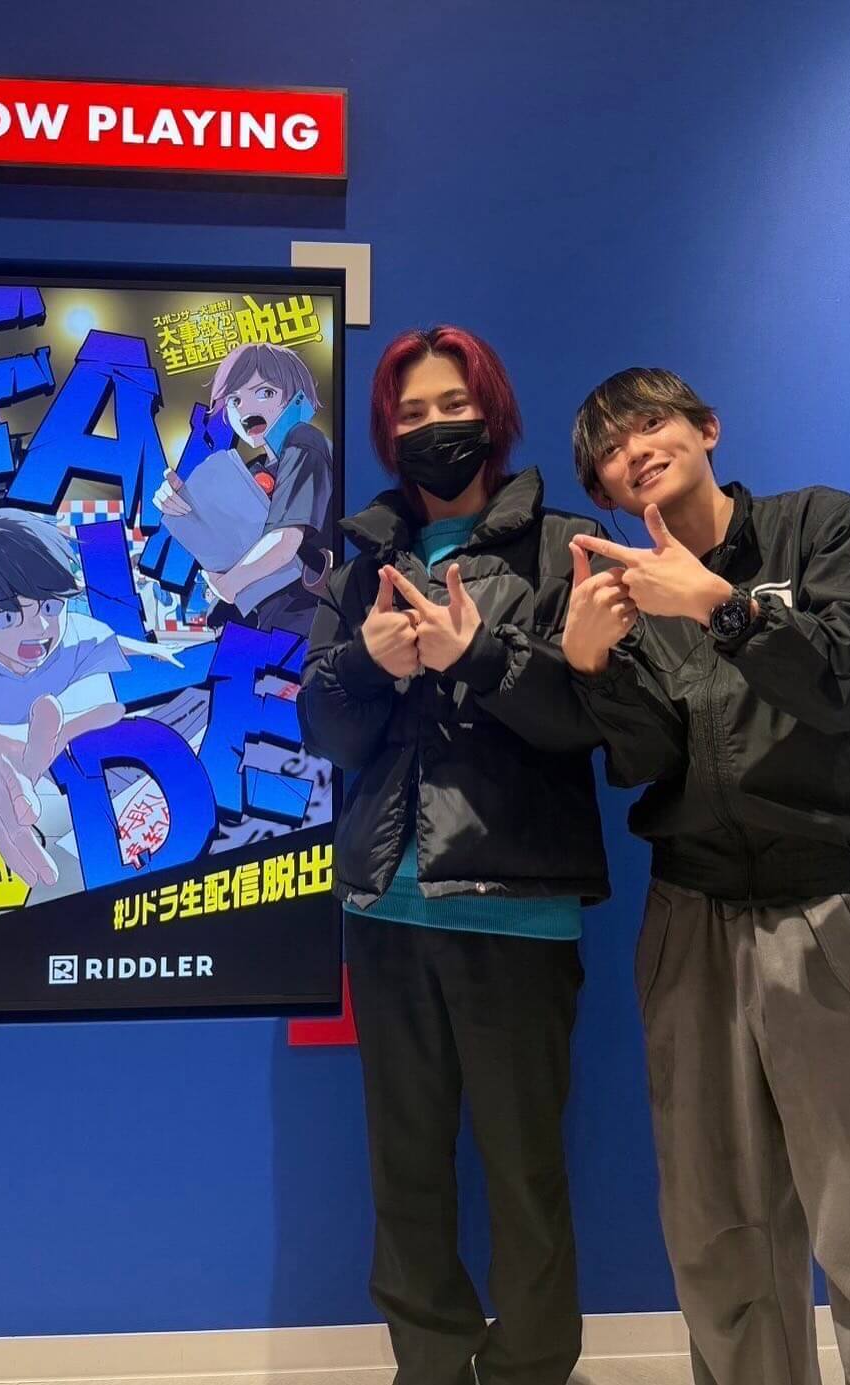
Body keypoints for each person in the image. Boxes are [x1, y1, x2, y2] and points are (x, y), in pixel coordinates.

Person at [563, 366, 850, 1385]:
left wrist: (724, 608)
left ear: (706, 428)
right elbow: (644, 759)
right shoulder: (629, 598)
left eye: (651, 424)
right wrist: (591, 669)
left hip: (835, 904)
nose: (635, 452)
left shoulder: (820, 528)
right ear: (604, 491)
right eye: (611, 453)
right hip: (692, 918)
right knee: (718, 1231)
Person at [298, 326, 622, 1385]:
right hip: (384, 912)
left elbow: (595, 720)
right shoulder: (362, 567)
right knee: (404, 1167)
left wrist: (477, 654)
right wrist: (366, 665)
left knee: (525, 1168)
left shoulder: (563, 547)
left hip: (516, 909)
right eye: (411, 412)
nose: (434, 427)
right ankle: (428, 1363)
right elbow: (326, 735)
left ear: (492, 412)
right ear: (386, 431)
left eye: (452, 405)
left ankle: (530, 1366)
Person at [0, 507, 181, 886]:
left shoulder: (70, 636)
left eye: (50, 605)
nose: (40, 626)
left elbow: (101, 638)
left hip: (22, 802)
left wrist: (153, 650)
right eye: (8, 616)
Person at [153, 342, 333, 635]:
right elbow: (222, 548)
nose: (246, 410)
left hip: (305, 618)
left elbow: (285, 541)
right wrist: (183, 502)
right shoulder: (253, 471)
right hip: (264, 621)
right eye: (235, 400)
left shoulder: (304, 441)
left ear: (296, 397)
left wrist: (228, 585)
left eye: (265, 393)